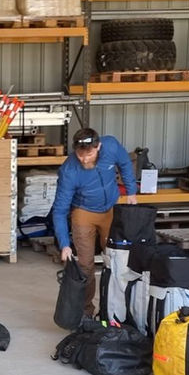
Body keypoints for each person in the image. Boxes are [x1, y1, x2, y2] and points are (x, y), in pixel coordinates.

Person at [51, 127, 139, 320]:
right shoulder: (69, 171)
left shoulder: (111, 146)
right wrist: (64, 244)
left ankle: (115, 310)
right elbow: (59, 210)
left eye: (89, 154)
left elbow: (125, 163)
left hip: (111, 209)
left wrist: (131, 191)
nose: (84, 159)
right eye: (80, 154)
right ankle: (85, 312)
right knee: (85, 265)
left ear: (98, 147)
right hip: (84, 212)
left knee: (116, 260)